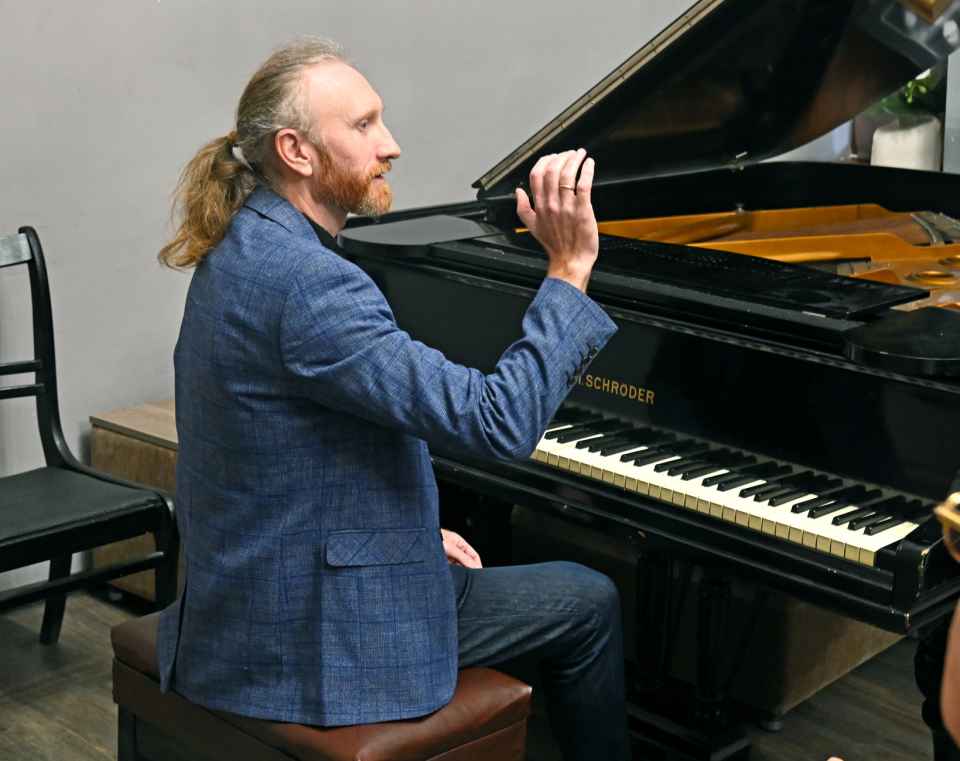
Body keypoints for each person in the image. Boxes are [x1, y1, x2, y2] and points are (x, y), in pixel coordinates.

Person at [156, 37, 629, 761]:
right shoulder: (312, 284)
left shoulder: (247, 243)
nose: (392, 145)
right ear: (296, 151)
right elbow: (499, 422)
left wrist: (406, 532)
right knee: (587, 597)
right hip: (306, 636)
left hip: (246, 593)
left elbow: (281, 448)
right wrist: (568, 269)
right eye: (364, 125)